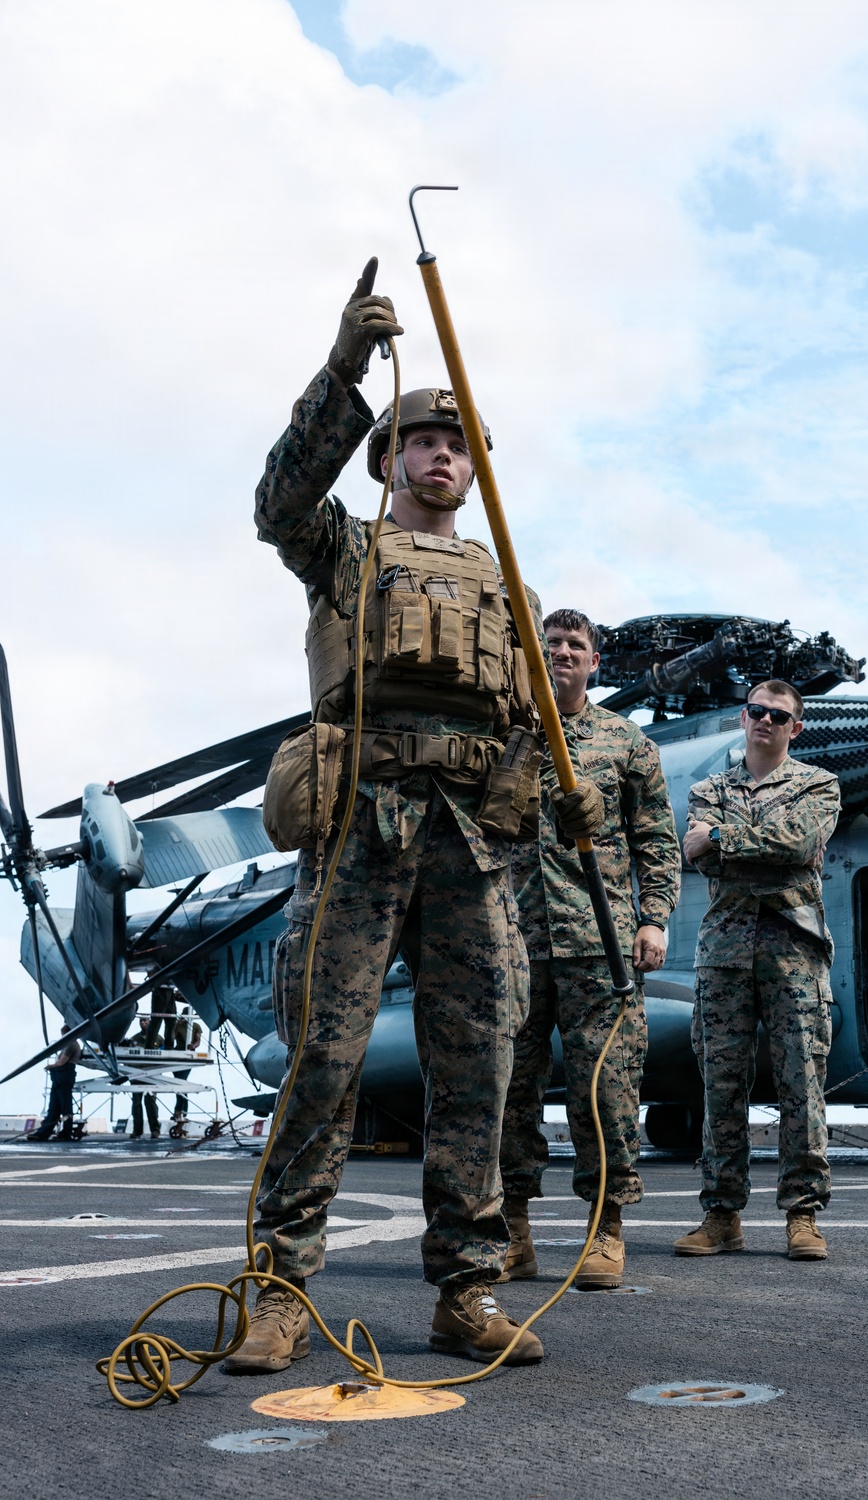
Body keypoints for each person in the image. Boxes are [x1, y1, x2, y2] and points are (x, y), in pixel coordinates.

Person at [227, 259, 604, 1376]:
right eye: (422, 440)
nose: (443, 454)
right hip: (360, 828)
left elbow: (533, 711)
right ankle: (280, 1289)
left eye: (458, 444)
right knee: (325, 1061)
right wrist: (345, 366)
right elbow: (276, 504)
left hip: (473, 848)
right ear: (390, 458)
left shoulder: (508, 585)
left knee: (481, 1067)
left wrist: (539, 792)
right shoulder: (345, 551)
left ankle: (467, 1289)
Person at [499, 609, 680, 1289]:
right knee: (507, 1094)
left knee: (604, 1093)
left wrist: (653, 919)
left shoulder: (625, 742)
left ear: (596, 662)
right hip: (515, 943)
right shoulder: (511, 736)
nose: (564, 653)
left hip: (597, 946)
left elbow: (657, 840)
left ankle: (605, 1229)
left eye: (576, 645)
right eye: (553, 645)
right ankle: (512, 1230)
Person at [674, 679, 840, 1261]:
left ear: (795, 727)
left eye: (778, 715)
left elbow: (800, 842)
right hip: (723, 955)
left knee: (802, 1083)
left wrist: (720, 835)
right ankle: (721, 1215)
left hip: (795, 954)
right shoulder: (707, 786)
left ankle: (802, 1214)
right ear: (742, 719)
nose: (764, 721)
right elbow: (694, 855)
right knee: (722, 1088)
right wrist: (732, 844)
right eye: (755, 711)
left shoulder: (819, 784)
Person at [26, 1027, 81, 1142]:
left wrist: (51, 1066)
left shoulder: (71, 1045)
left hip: (64, 1077)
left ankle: (66, 1132)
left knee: (65, 1107)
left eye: (63, 1034)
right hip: (59, 1078)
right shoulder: (70, 1044)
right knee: (54, 1107)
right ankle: (44, 1132)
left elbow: (62, 1062)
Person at [125, 1015, 161, 1139]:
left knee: (150, 1103)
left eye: (145, 1020)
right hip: (136, 1074)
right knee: (136, 1104)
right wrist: (128, 1071)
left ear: (150, 1022)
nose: (143, 1023)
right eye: (141, 1021)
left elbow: (165, 1057)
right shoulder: (134, 1039)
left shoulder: (159, 1039)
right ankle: (137, 1131)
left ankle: (155, 1130)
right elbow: (127, 1057)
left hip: (152, 1076)